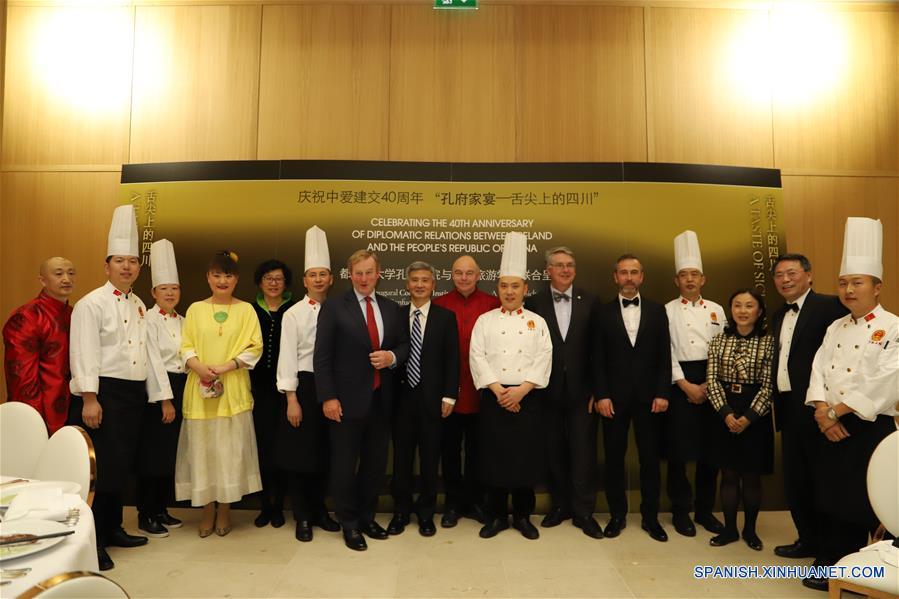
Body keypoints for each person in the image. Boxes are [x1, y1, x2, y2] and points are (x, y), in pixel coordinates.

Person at [68, 205, 172, 571]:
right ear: (106, 265)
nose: (126, 267)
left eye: (132, 261)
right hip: (104, 394)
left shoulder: (140, 303)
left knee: (120, 468)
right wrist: (90, 399)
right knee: (98, 472)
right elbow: (84, 352)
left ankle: (113, 529)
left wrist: (158, 396)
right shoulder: (90, 304)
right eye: (119, 261)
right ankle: (91, 542)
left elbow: (148, 353)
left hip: (131, 396)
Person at [802, 217, 898, 592]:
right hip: (828, 421)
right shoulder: (836, 327)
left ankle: (859, 569)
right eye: (843, 283)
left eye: (857, 282)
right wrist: (822, 412)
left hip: (867, 426)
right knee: (826, 493)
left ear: (877, 287)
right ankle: (828, 561)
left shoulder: (892, 326)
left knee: (857, 500)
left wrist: (836, 412)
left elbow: (889, 380)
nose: (848, 289)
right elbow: (818, 369)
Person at [313, 249, 409, 551]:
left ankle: (368, 517)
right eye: (358, 273)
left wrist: (392, 356)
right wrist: (328, 397)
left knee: (375, 465)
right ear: (349, 275)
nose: (364, 278)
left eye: (369, 272)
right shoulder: (333, 307)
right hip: (345, 403)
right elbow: (322, 357)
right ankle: (350, 523)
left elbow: (405, 346)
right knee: (344, 466)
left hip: (382, 401)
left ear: (378, 273)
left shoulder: (392, 308)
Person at [470, 232, 552, 540]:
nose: (509, 291)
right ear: (498, 288)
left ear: (525, 289)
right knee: (494, 459)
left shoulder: (537, 321)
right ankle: (495, 517)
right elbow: (476, 356)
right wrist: (499, 391)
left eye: (515, 286)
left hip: (527, 397)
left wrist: (521, 390)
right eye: (504, 286)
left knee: (524, 460)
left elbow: (545, 358)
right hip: (494, 397)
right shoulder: (485, 320)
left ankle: (522, 517)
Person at [175, 250, 263, 538]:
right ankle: (207, 509)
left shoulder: (247, 310)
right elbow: (185, 346)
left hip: (233, 390)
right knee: (203, 453)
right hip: (200, 391)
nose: (222, 280)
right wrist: (199, 367)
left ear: (236, 279)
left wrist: (226, 366)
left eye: (228, 276)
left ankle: (225, 508)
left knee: (229, 452)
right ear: (207, 277)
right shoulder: (196, 309)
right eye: (217, 275)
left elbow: (254, 348)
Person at [770, 253, 847, 560]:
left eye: (791, 273)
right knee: (796, 479)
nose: (785, 280)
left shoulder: (830, 306)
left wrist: (828, 406)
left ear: (809, 275)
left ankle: (829, 550)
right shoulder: (778, 315)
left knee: (821, 479)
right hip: (788, 407)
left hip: (819, 406)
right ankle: (807, 539)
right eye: (779, 275)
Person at [525, 246, 603, 539]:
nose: (565, 270)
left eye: (570, 265)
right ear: (547, 271)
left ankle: (584, 512)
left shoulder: (591, 301)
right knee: (553, 451)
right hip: (546, 390)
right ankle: (559, 507)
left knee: (583, 452)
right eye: (559, 265)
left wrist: (599, 389)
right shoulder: (533, 303)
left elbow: (599, 350)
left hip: (584, 393)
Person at [593, 254, 671, 542]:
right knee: (613, 460)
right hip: (613, 399)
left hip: (651, 399)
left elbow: (665, 354)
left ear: (642, 276)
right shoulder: (601, 312)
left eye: (634, 272)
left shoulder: (657, 310)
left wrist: (663, 392)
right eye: (623, 272)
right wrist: (601, 394)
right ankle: (617, 516)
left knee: (650, 461)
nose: (628, 277)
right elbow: (597, 359)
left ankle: (651, 518)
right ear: (615, 277)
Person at [275, 226, 340, 542]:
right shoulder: (293, 314)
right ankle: (302, 516)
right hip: (303, 387)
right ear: (304, 281)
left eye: (323, 274)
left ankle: (320, 510)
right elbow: (286, 357)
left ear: (331, 278)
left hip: (333, 389)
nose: (318, 280)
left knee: (326, 454)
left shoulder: (341, 310)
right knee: (302, 456)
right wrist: (291, 399)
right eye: (312, 274)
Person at [388, 261, 459, 537]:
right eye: (414, 280)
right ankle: (401, 512)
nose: (419, 284)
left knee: (430, 460)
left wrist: (450, 396)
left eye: (425, 280)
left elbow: (453, 360)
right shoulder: (395, 315)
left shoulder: (445, 317)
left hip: (433, 400)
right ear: (407, 284)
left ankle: (426, 513)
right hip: (401, 400)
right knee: (401, 460)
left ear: (433, 285)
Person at [662, 231, 726, 537]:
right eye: (684, 275)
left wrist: (708, 385)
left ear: (703, 279)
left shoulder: (718, 310)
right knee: (679, 453)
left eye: (695, 275)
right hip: (679, 383)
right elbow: (665, 351)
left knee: (710, 452)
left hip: (712, 382)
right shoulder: (666, 310)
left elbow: (723, 348)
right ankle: (680, 511)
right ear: (676, 281)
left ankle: (704, 511)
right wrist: (686, 385)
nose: (689, 280)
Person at [433, 255, 499, 527]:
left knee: (478, 451)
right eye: (458, 273)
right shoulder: (438, 305)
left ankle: (473, 502)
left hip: (484, 392)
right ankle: (453, 504)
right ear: (451, 275)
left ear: (478, 275)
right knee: (449, 451)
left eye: (469, 273)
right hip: (448, 393)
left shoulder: (493, 305)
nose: (464, 277)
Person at [705, 288, 774, 551]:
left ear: (759, 310)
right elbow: (711, 380)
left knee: (752, 475)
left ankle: (750, 531)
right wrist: (726, 414)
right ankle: (730, 529)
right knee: (729, 474)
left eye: (749, 305)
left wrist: (748, 418)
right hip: (724, 411)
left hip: (756, 413)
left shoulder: (769, 341)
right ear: (730, 309)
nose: (742, 311)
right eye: (737, 305)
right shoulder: (719, 340)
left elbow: (769, 386)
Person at [137, 240, 186, 538]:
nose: (169, 294)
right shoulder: (148, 319)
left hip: (183, 388)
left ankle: (161, 508)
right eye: (164, 289)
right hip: (158, 391)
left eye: (174, 289)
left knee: (171, 453)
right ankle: (146, 513)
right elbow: (153, 361)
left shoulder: (184, 320)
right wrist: (165, 400)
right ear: (154, 292)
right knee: (152, 454)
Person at [3, 256, 76, 434]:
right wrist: (33, 419)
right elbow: (21, 378)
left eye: (71, 273)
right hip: (41, 411)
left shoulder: (75, 313)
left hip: (73, 409)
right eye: (58, 274)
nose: (66, 279)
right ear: (42, 280)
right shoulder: (27, 316)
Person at [250, 259, 296, 529]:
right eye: (268, 278)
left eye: (278, 278)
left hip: (287, 390)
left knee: (283, 448)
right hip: (257, 389)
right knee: (262, 448)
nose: (274, 283)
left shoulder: (295, 309)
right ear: (260, 282)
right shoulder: (248, 309)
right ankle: (264, 505)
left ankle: (279, 505)